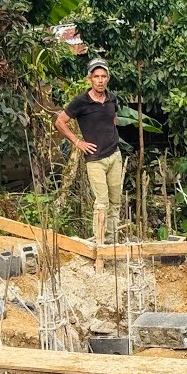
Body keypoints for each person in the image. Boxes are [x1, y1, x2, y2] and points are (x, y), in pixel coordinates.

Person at [55, 58, 123, 246]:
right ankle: (100, 243)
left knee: (115, 202)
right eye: (96, 77)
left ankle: (112, 242)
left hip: (114, 156)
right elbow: (60, 121)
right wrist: (78, 142)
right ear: (90, 79)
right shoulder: (81, 101)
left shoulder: (111, 98)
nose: (100, 80)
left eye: (103, 76)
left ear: (108, 78)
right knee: (102, 203)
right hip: (95, 159)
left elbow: (113, 118)